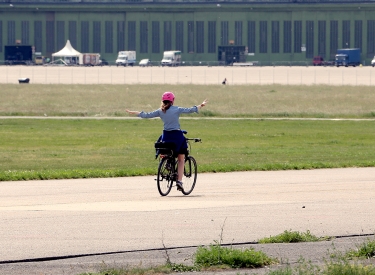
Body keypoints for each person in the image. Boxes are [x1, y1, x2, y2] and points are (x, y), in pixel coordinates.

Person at [126, 92, 208, 192]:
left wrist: (136, 112)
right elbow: (190, 110)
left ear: (162, 100)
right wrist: (201, 105)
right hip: (177, 136)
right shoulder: (176, 109)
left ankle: (168, 163)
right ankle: (179, 181)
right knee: (181, 158)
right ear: (172, 100)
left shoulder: (161, 111)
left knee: (167, 150)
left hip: (166, 136)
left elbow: (147, 115)